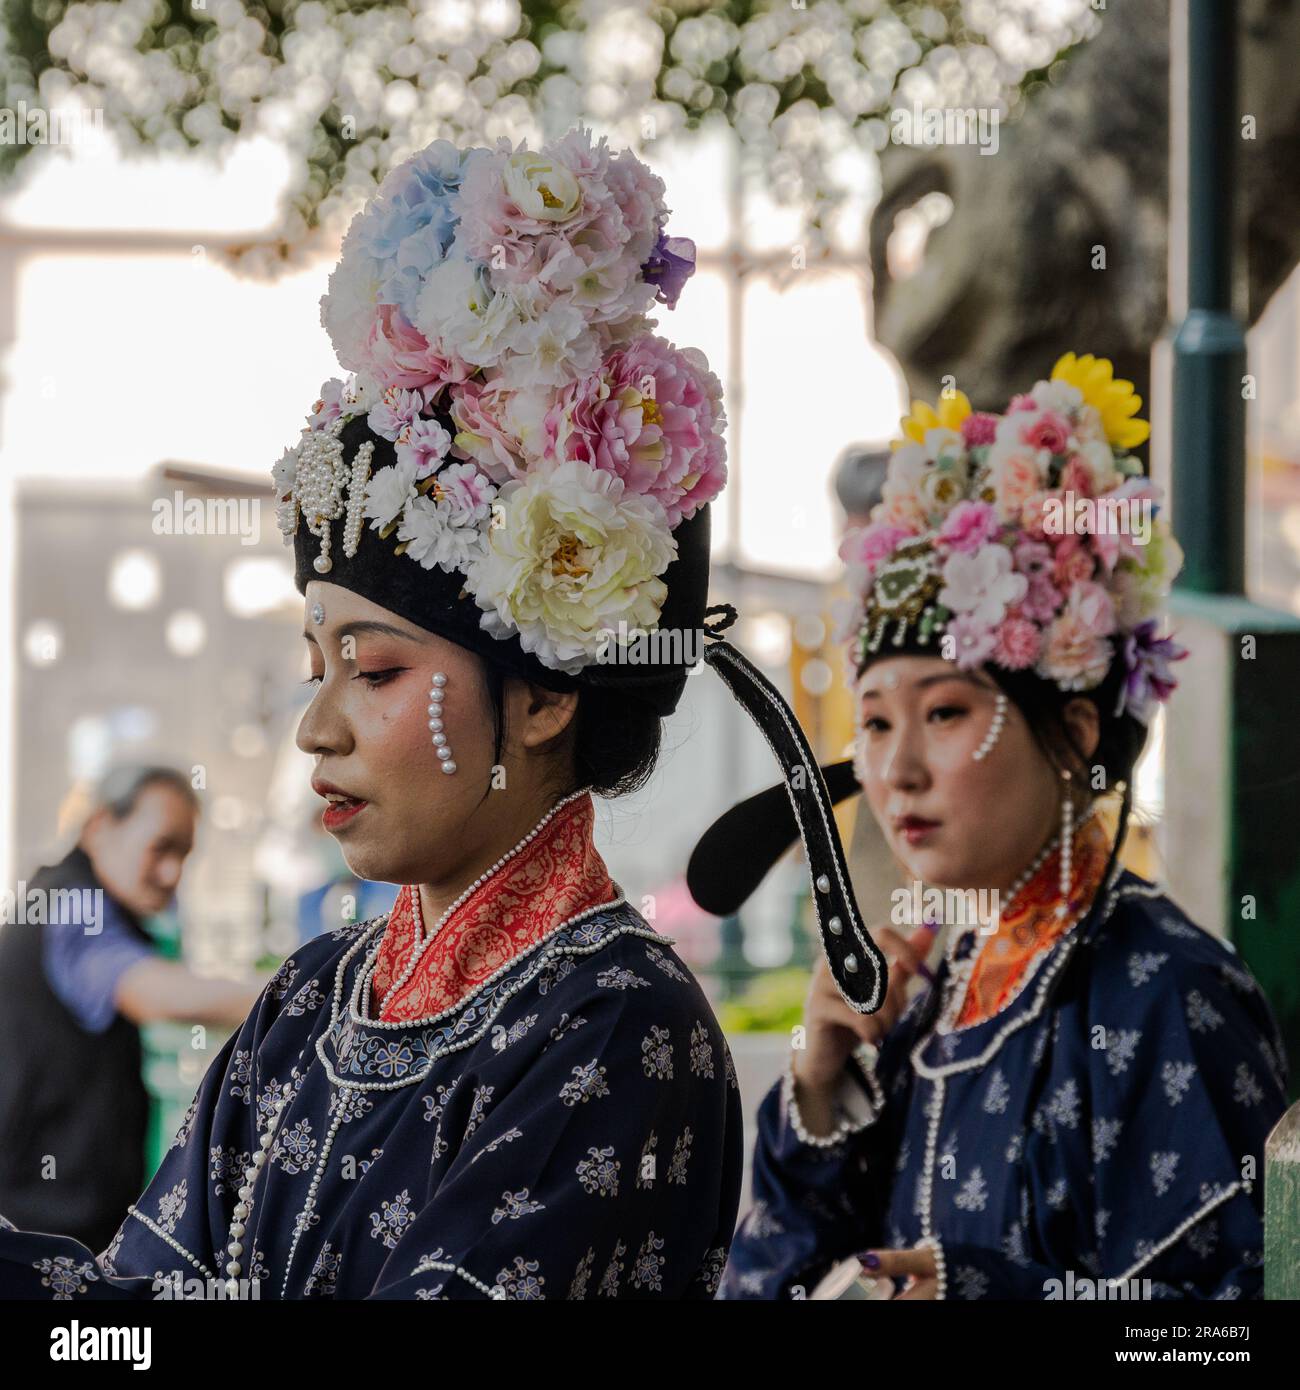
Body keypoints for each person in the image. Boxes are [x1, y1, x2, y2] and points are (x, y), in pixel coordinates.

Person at [0, 126, 869, 1300]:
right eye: (316, 664)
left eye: (376, 670)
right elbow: (130, 1313)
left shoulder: (618, 1031)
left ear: (549, 689)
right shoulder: (309, 998)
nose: (316, 726)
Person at [703, 353, 1289, 1299]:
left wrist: (982, 1292)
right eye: (878, 722)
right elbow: (773, 1283)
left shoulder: (1170, 995)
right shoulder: (928, 989)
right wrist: (819, 1090)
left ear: (1076, 734)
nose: (895, 770)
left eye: (945, 714)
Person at [0, 764, 262, 1250]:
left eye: (184, 855)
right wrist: (297, 989)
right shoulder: (73, 904)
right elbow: (147, 989)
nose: (173, 873)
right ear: (100, 827)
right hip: (45, 1225)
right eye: (161, 847)